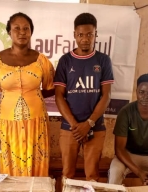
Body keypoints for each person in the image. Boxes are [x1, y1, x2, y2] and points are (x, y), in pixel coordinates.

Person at [0, 12, 55, 177]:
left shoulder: (41, 60)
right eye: (17, 28)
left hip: (36, 124)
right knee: (11, 170)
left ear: (31, 32)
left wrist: (33, 95)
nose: (22, 32)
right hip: (8, 125)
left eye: (26, 29)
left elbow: (52, 86)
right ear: (9, 32)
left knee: (37, 167)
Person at [54, 13, 114, 182]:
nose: (85, 39)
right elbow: (59, 96)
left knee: (93, 176)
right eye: (81, 35)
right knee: (67, 175)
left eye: (89, 34)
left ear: (96, 34)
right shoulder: (65, 61)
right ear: (74, 35)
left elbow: (106, 95)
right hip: (69, 128)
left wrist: (89, 124)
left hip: (95, 127)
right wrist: (75, 126)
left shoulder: (103, 60)